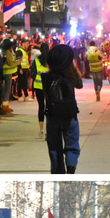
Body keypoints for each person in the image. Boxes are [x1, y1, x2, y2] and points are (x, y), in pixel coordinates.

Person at [43, 44, 84, 174]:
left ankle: (57, 174)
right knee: (72, 145)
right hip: (69, 114)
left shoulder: (46, 77)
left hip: (53, 116)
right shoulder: (70, 75)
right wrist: (72, 67)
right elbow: (80, 84)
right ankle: (71, 168)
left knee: (55, 148)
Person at [31, 43, 50, 138]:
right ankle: (49, 129)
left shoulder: (36, 60)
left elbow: (32, 73)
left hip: (38, 86)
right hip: (49, 87)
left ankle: (41, 129)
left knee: (41, 107)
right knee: (49, 107)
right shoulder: (51, 61)